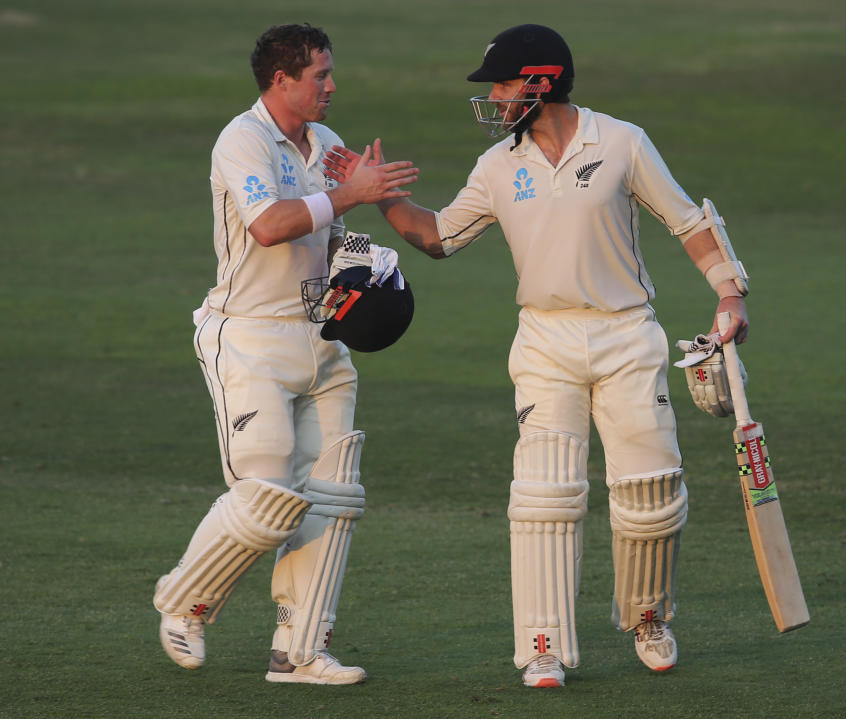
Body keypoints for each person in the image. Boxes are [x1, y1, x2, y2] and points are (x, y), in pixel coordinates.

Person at [323, 24, 750, 687]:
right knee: (545, 494)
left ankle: (649, 615)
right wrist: (381, 196)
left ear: (541, 82)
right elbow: (438, 236)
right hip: (545, 339)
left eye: (502, 84)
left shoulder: (622, 143)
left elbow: (688, 221)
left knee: (653, 489)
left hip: (627, 332)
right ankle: (542, 644)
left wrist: (730, 293)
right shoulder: (499, 167)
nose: (494, 98)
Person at [152, 23, 419, 685]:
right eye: (320, 76)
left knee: (332, 493)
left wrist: (367, 263)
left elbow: (331, 235)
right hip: (248, 336)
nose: (332, 86)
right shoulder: (241, 139)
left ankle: (300, 649)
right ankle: (184, 600)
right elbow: (270, 225)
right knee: (269, 487)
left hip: (319, 336)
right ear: (282, 80)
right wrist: (349, 193)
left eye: (330, 74)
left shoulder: (324, 144)